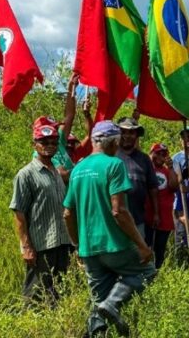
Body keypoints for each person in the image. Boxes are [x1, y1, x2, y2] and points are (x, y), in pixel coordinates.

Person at [63, 121, 155, 337]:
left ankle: (96, 331)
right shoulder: (114, 165)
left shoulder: (78, 169)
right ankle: (113, 304)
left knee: (99, 303)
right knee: (147, 271)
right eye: (118, 140)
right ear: (113, 141)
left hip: (89, 249)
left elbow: (67, 213)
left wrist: (77, 245)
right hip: (114, 244)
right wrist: (142, 246)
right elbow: (119, 212)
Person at [10, 124, 73, 304]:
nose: (49, 145)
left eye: (53, 142)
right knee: (35, 293)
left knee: (58, 292)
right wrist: (26, 246)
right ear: (34, 144)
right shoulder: (26, 174)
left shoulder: (57, 172)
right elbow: (19, 213)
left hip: (62, 241)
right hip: (41, 244)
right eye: (44, 142)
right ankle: (30, 327)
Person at [31, 73, 79, 184]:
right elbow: (62, 176)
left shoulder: (58, 141)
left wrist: (71, 87)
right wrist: (81, 168)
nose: (53, 134)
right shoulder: (41, 154)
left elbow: (69, 115)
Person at [115, 117, 159, 237]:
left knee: (138, 254)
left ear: (136, 135)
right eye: (123, 132)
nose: (127, 136)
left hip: (138, 220)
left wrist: (156, 213)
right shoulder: (111, 156)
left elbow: (153, 188)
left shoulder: (144, 159)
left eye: (131, 132)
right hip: (114, 221)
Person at [144, 143, 179, 269]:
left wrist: (171, 168)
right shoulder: (145, 169)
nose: (160, 156)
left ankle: (158, 273)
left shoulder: (167, 171)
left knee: (160, 250)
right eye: (157, 153)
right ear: (151, 153)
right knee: (146, 247)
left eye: (164, 154)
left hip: (164, 219)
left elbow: (175, 187)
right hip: (147, 216)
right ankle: (146, 274)